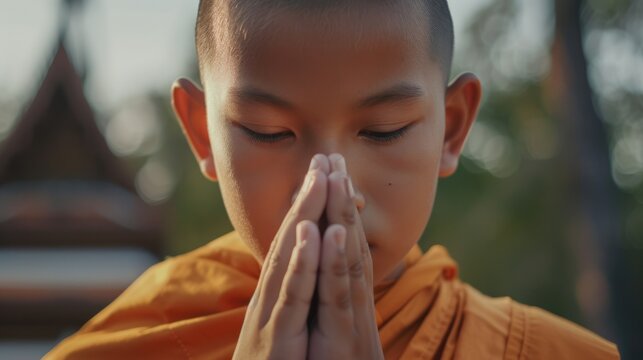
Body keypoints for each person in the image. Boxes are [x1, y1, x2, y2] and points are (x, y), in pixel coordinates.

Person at [46, 0, 620, 359]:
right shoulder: (131, 344)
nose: (326, 191)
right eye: (267, 132)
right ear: (202, 134)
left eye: (384, 130)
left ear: (453, 128)